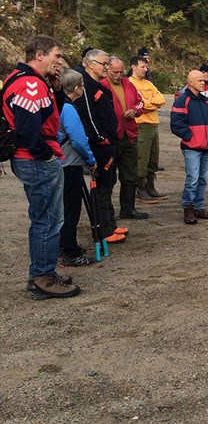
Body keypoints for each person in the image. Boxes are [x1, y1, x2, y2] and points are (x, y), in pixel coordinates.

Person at [2, 35, 81, 299]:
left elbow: (49, 116)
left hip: (31, 157)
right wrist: (45, 154)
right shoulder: (31, 85)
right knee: (48, 219)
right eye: (57, 56)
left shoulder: (27, 81)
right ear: (39, 54)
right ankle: (43, 277)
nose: (61, 61)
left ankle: (41, 272)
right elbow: (27, 128)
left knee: (44, 217)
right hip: (35, 159)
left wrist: (57, 91)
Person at [75, 49, 125, 244]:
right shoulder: (85, 86)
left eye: (107, 64)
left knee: (110, 183)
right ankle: (104, 229)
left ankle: (110, 224)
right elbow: (88, 117)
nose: (107, 67)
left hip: (110, 142)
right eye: (104, 64)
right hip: (101, 145)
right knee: (102, 187)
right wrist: (100, 138)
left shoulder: (98, 85)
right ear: (90, 64)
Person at [58, 68, 97, 267]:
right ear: (75, 88)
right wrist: (90, 159)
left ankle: (63, 245)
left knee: (61, 208)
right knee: (71, 208)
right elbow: (78, 139)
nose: (83, 89)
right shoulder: (69, 109)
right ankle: (70, 252)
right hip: (69, 164)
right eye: (82, 86)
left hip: (59, 163)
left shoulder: (56, 105)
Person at [170, 70, 208, 225]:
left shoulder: (205, 101)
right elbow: (176, 125)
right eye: (200, 81)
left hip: (206, 147)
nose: (203, 82)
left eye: (204, 80)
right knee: (193, 179)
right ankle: (188, 208)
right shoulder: (182, 100)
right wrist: (190, 137)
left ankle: (199, 206)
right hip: (192, 147)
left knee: (203, 179)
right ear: (190, 82)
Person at [104, 56, 147, 220]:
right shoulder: (101, 86)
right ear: (107, 69)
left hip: (129, 135)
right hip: (112, 137)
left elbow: (140, 102)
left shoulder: (128, 84)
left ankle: (128, 209)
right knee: (109, 177)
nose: (119, 75)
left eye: (121, 72)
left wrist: (135, 110)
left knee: (130, 174)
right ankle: (107, 212)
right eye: (115, 72)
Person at [129, 55, 168, 203]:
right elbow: (139, 104)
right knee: (142, 158)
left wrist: (149, 103)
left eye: (146, 67)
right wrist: (152, 104)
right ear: (133, 67)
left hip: (153, 124)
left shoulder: (148, 83)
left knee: (153, 158)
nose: (145, 69)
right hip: (141, 125)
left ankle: (151, 187)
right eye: (142, 67)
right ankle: (140, 190)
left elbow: (162, 99)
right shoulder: (130, 84)